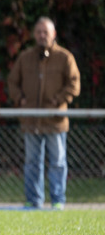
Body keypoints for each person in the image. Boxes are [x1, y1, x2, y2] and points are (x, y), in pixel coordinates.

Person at [7, 16, 81, 210]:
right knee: (32, 163)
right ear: (34, 34)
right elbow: (12, 82)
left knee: (57, 162)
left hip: (55, 121)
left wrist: (58, 100)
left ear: (53, 34)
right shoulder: (25, 57)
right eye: (39, 32)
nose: (42, 35)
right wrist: (20, 100)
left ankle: (58, 201)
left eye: (45, 32)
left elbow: (74, 84)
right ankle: (33, 201)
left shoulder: (65, 58)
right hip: (31, 121)